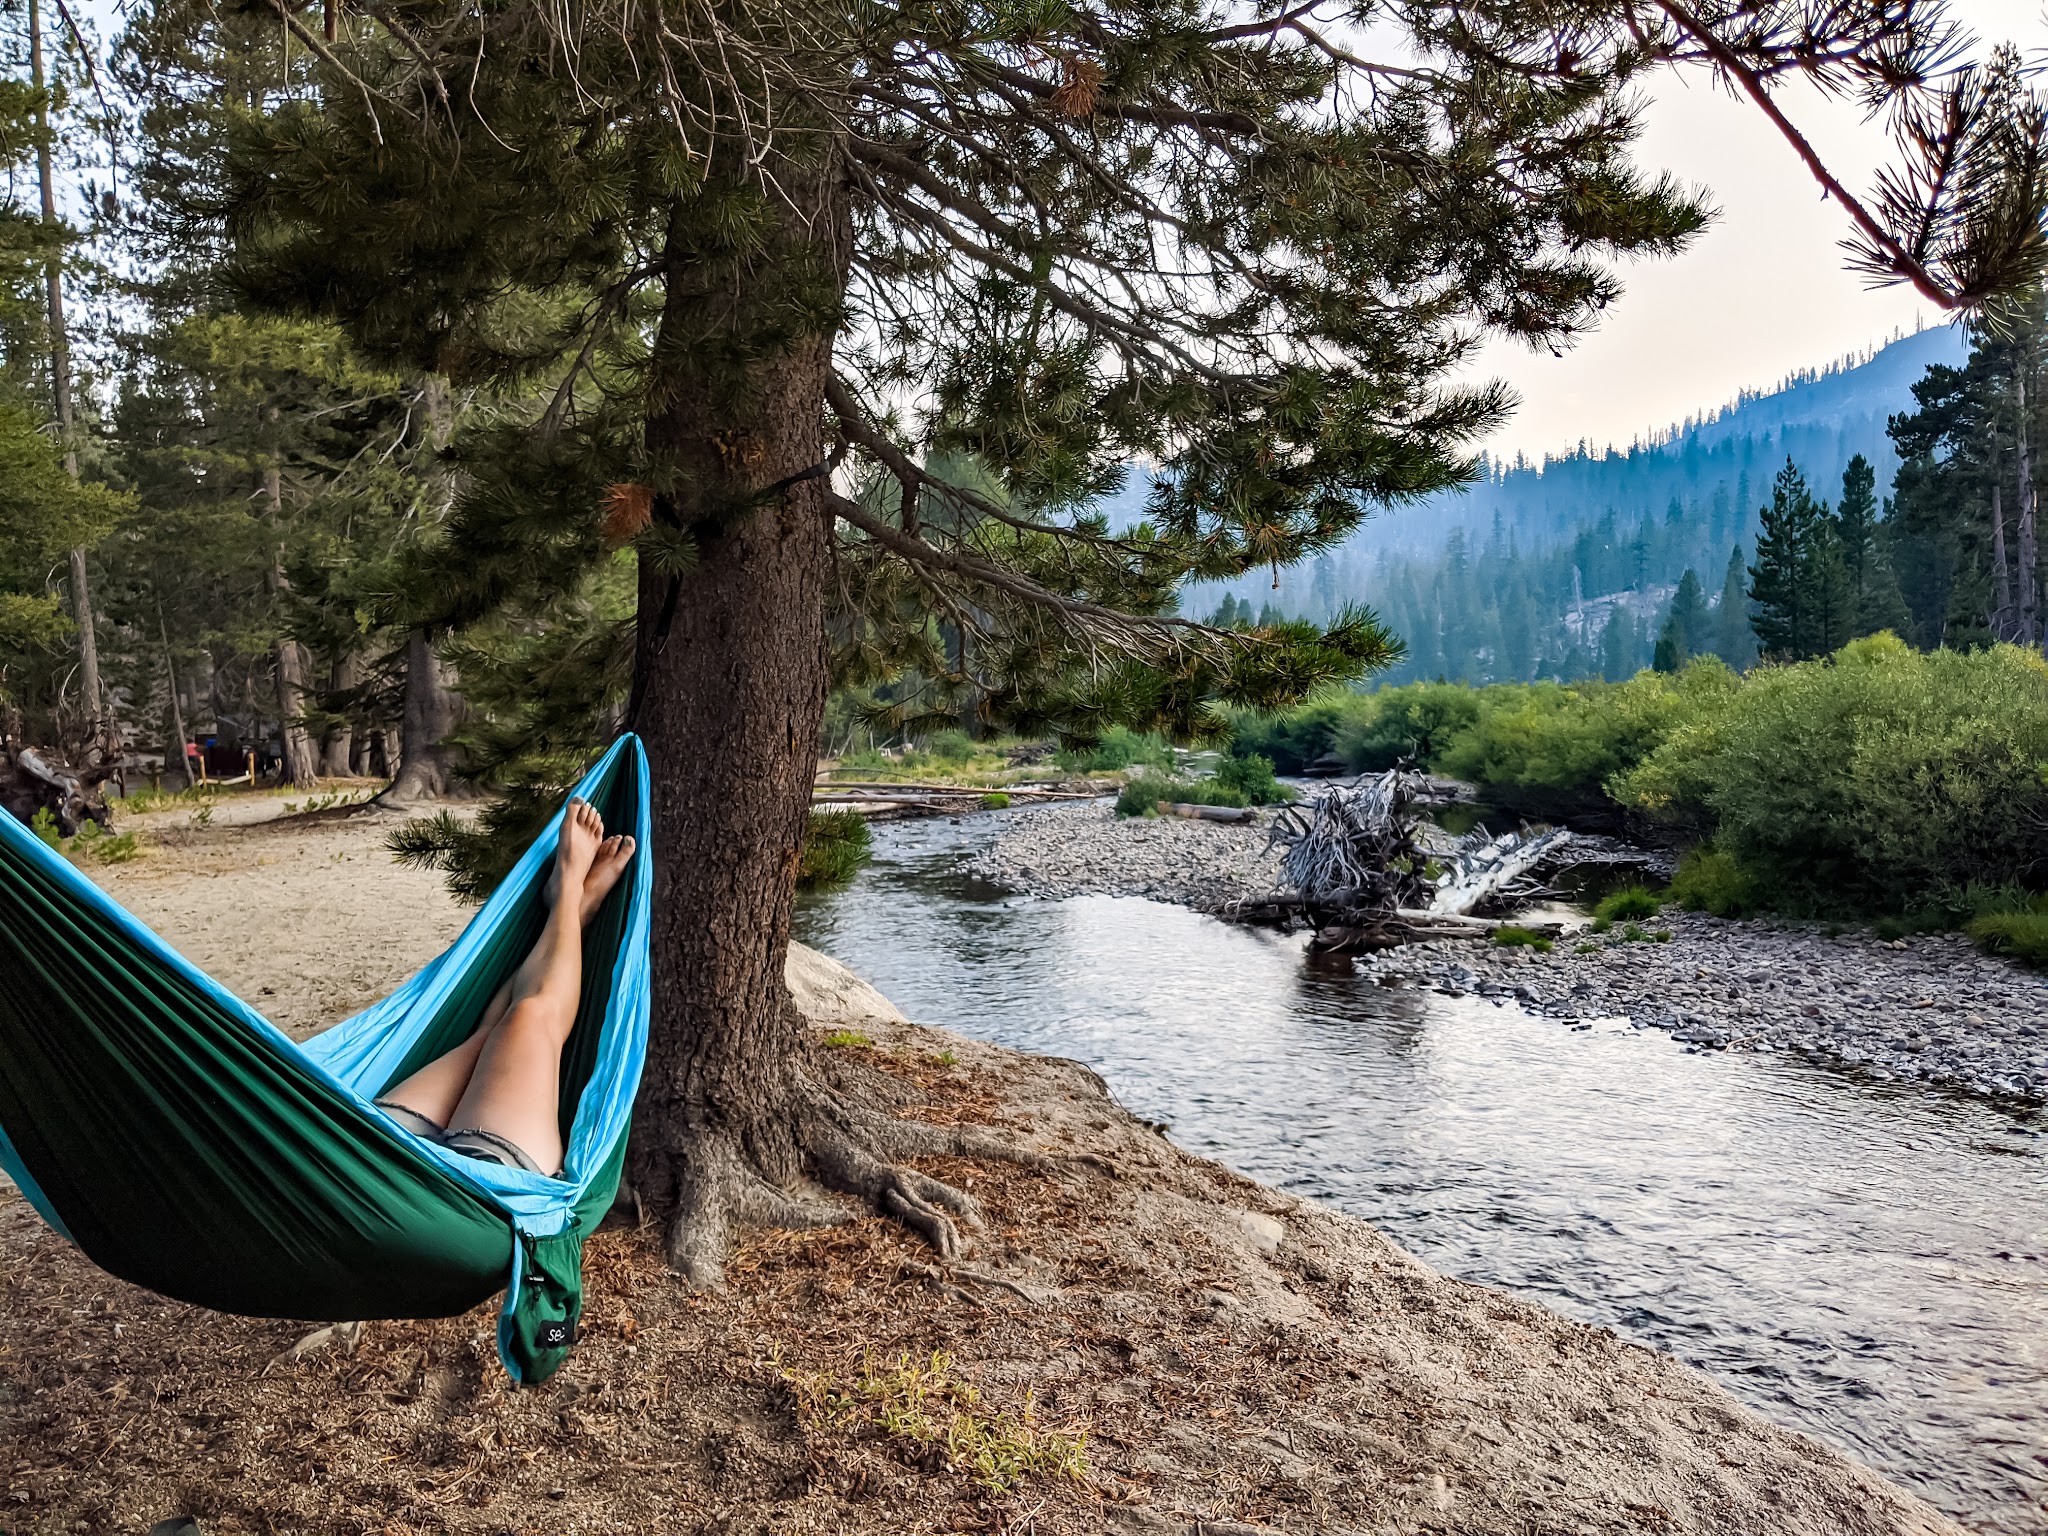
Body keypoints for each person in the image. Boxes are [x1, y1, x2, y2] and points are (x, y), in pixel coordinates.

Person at [375, 799, 634, 1177]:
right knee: (531, 1014)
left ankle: (570, 906)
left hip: (380, 1157)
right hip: (478, 1196)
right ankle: (569, 902)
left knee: (491, 1036)